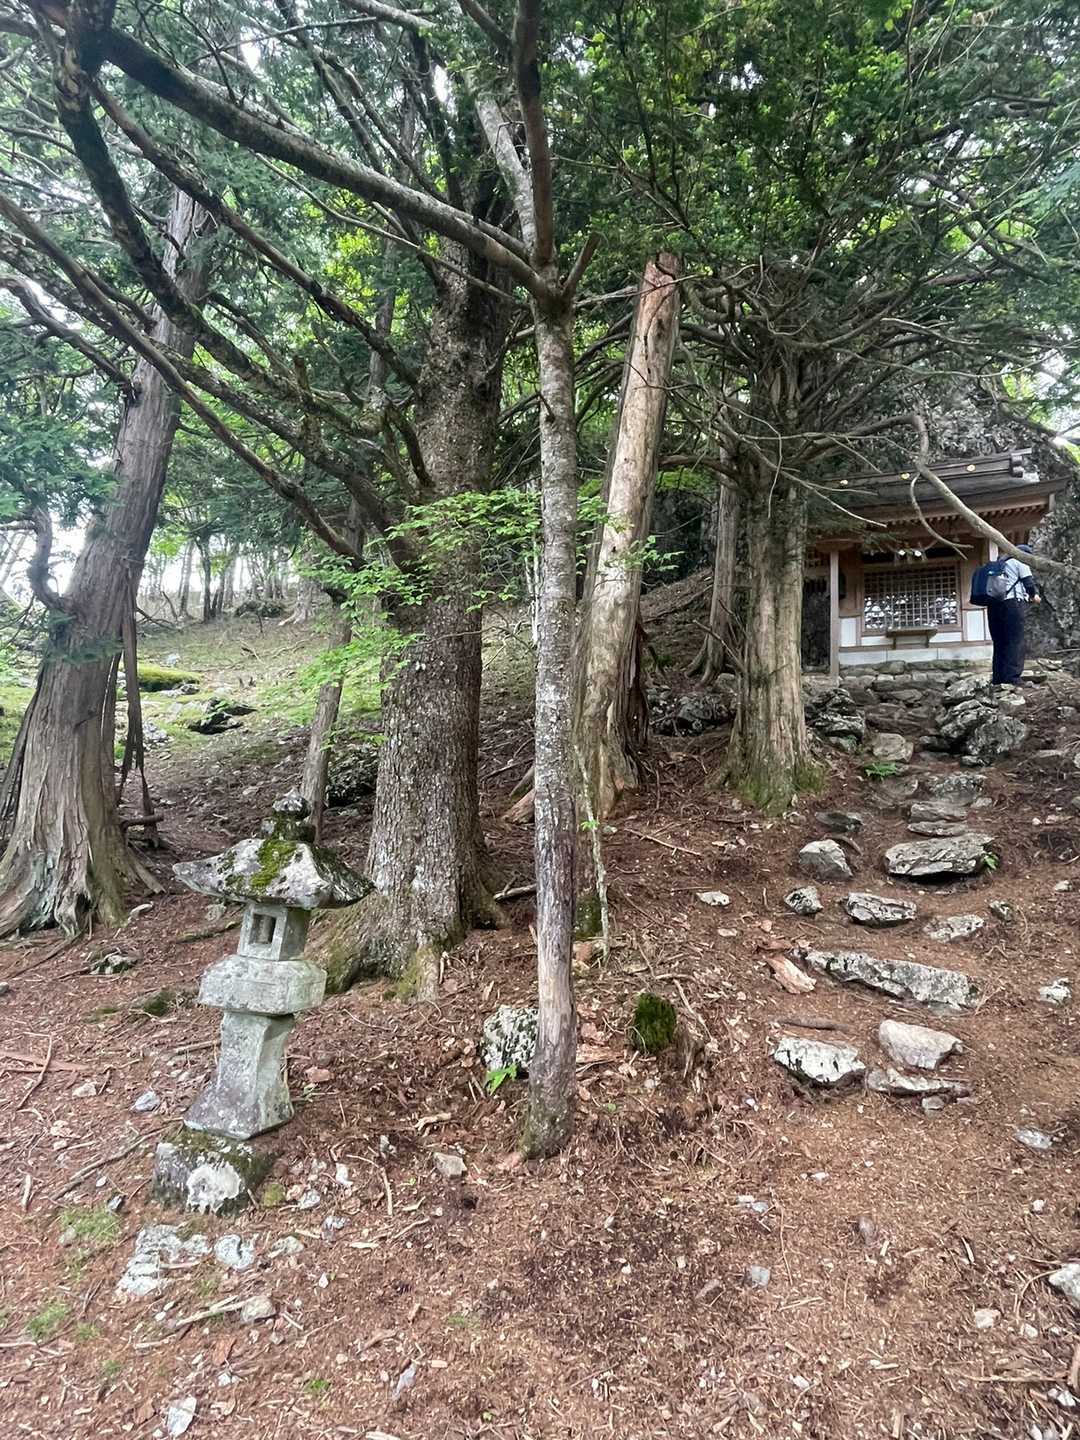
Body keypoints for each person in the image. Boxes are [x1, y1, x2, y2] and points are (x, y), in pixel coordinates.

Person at [986, 543, 1040, 686]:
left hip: (993, 606)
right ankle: (1013, 678)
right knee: (1015, 640)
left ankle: (998, 679)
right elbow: (1029, 583)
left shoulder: (998, 564)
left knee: (1000, 642)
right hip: (1012, 605)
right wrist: (1033, 596)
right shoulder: (1019, 561)